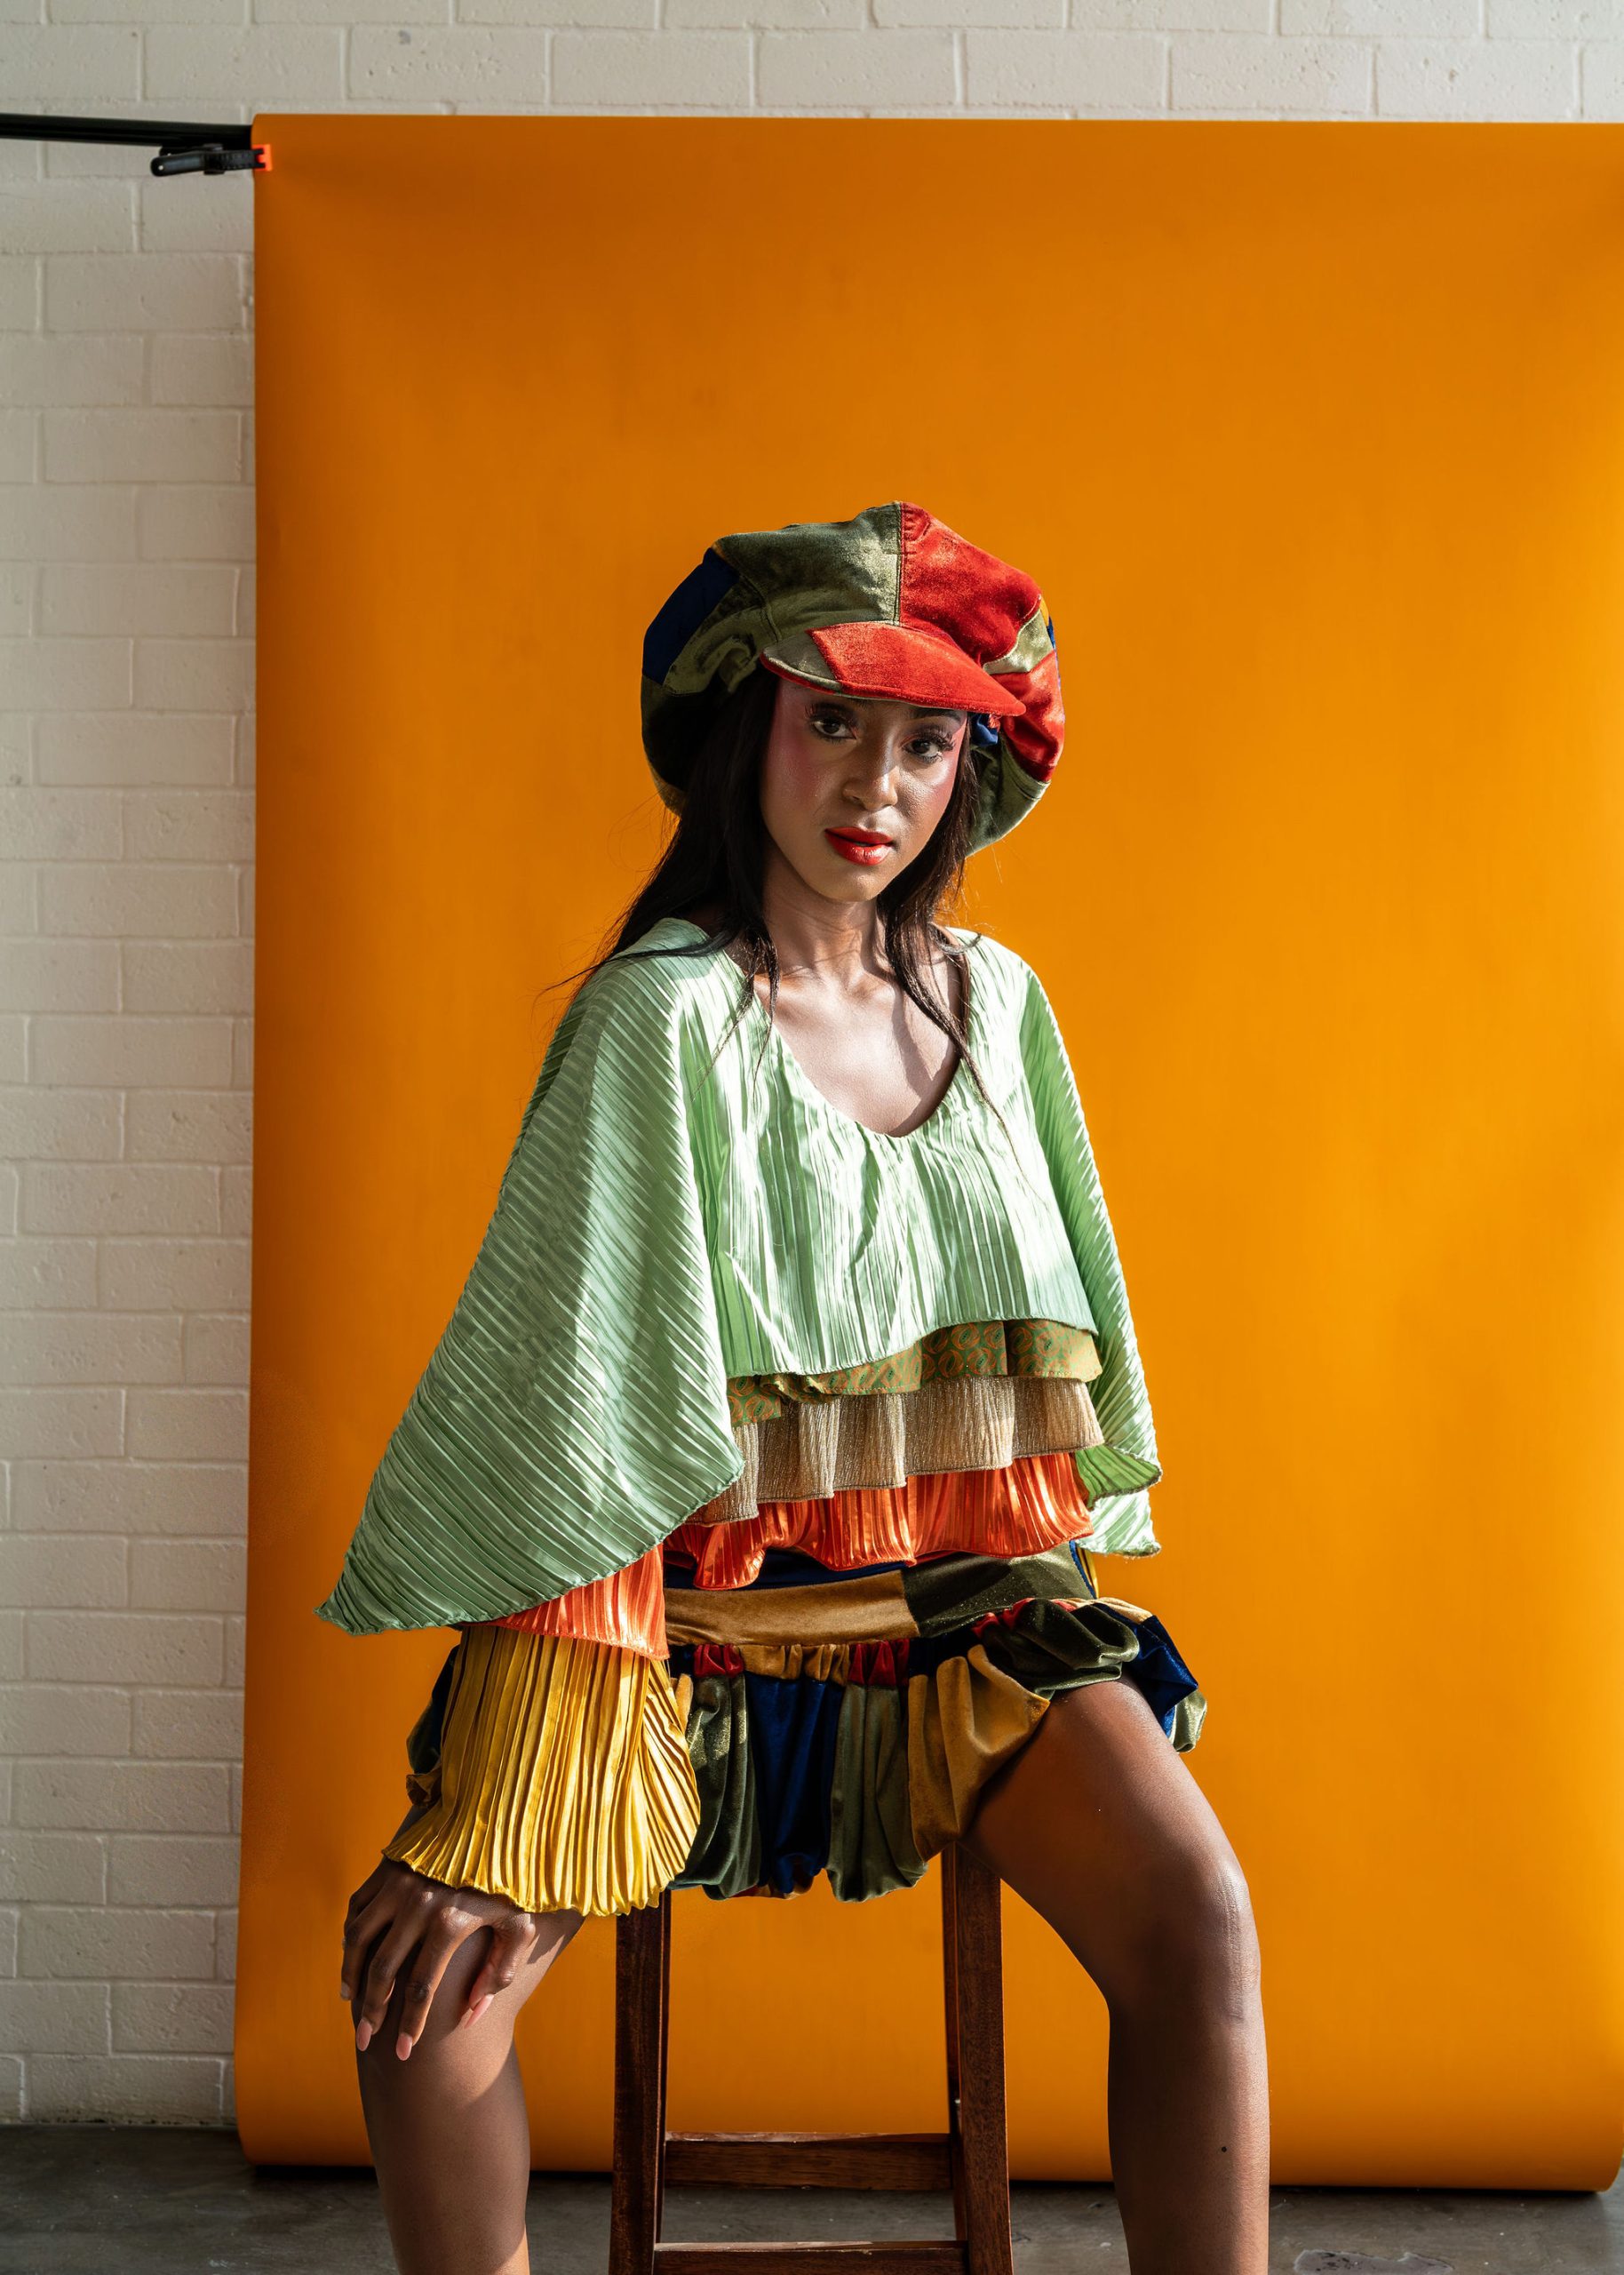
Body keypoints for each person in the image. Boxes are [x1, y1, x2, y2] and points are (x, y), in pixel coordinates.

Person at [322, 501, 1268, 2275]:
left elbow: (1031, 1406)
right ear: (745, 724)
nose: (874, 784)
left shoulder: (1000, 1007)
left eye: (925, 741)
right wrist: (512, 1785)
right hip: (669, 1638)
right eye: (831, 719)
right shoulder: (660, 1017)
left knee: (1197, 1913)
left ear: (972, 770)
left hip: (955, 1622)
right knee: (419, 2000)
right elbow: (573, 1408)